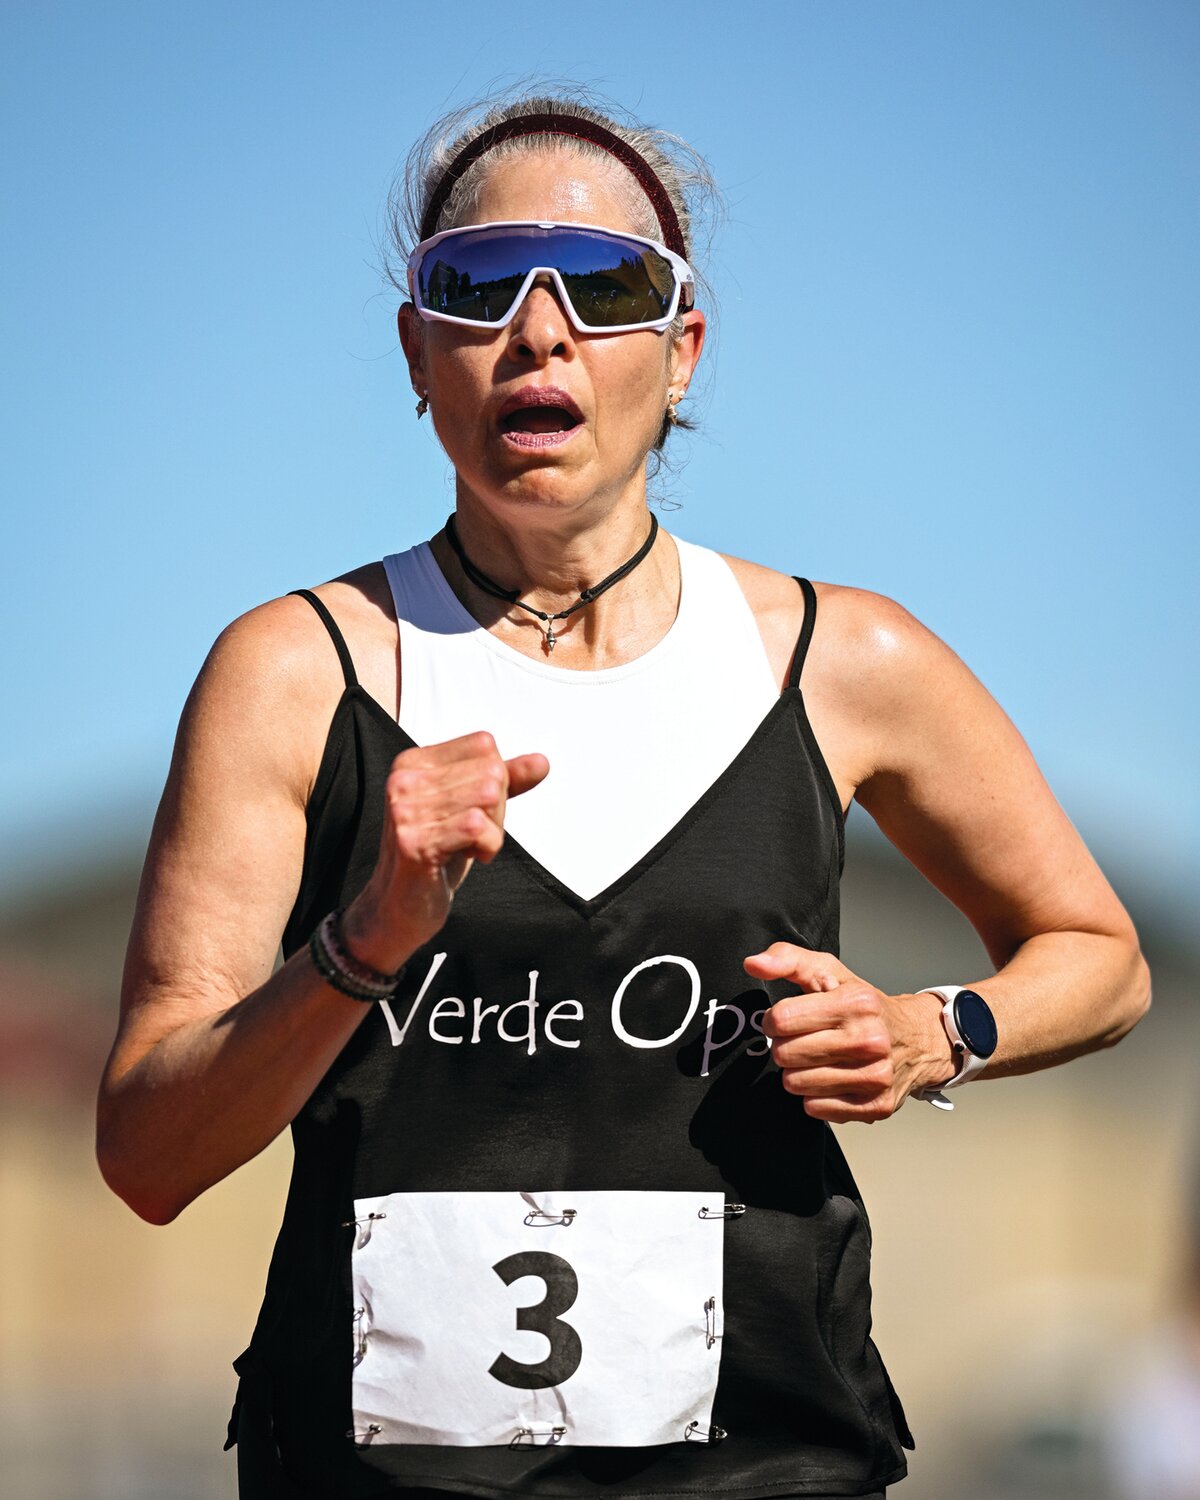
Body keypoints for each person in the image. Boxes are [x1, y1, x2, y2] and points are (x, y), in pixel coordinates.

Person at [96, 90, 1150, 1500]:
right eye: (475, 284)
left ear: (682, 349)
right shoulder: (292, 674)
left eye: (604, 287)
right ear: (419, 353)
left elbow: (1105, 959)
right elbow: (149, 1154)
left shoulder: (848, 661)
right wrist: (365, 939)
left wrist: (931, 1031)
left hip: (768, 1464)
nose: (540, 331)